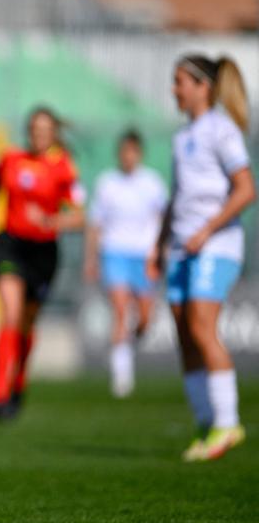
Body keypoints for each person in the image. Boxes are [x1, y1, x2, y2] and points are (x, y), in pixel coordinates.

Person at [153, 54, 254, 462]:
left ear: (202, 87)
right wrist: (158, 243)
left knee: (201, 326)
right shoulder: (183, 137)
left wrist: (207, 230)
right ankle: (206, 424)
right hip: (181, 245)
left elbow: (245, 189)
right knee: (184, 332)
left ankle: (228, 423)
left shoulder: (221, 129)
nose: (174, 89)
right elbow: (177, 196)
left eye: (180, 81)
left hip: (215, 244)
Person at [0, 107, 84, 420]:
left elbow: (79, 216)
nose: (39, 134)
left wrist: (50, 220)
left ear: (53, 133)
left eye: (45, 129)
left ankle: (18, 382)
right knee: (11, 313)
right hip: (10, 246)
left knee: (27, 322)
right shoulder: (10, 159)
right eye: (34, 128)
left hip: (42, 253)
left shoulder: (64, 168)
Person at [84, 130, 167, 398]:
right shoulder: (107, 183)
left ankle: (127, 346)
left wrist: (160, 252)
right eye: (124, 152)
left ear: (139, 154)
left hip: (143, 255)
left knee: (144, 319)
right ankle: (122, 376)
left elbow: (164, 220)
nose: (128, 157)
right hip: (115, 252)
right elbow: (96, 224)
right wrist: (91, 258)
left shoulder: (152, 183)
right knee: (120, 311)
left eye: (132, 152)